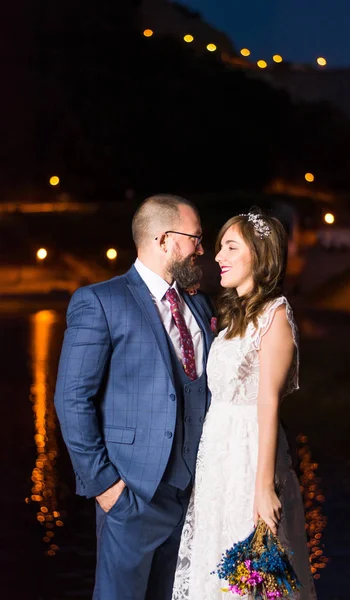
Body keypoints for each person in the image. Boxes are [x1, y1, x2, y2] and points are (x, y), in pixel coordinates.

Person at [54, 194, 216, 600]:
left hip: (193, 498)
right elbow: (72, 399)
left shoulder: (197, 303)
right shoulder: (100, 301)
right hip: (132, 497)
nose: (202, 248)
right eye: (195, 238)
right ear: (163, 239)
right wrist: (106, 486)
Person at [173, 209, 316, 599]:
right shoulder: (234, 317)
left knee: (249, 576)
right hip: (216, 458)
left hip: (249, 457)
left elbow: (268, 405)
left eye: (231, 247)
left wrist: (263, 487)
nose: (218, 256)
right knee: (213, 561)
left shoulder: (275, 315)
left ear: (260, 256)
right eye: (219, 247)